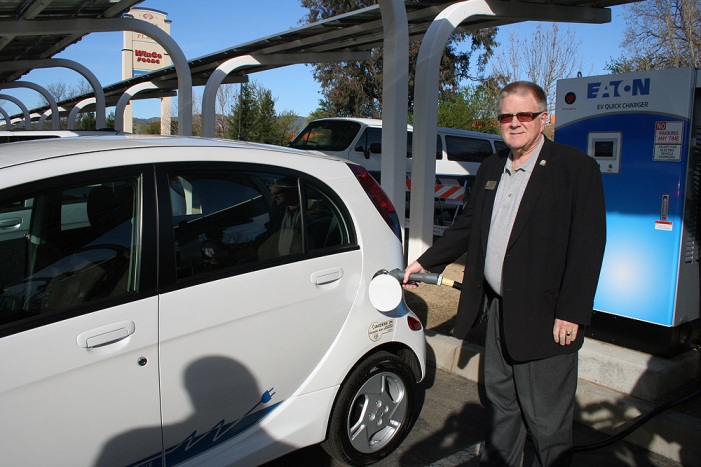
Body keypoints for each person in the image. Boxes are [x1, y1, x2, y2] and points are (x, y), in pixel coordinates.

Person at [403, 81, 606, 466]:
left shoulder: (576, 169)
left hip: (547, 317)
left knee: (547, 422)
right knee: (502, 405)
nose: (514, 123)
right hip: (498, 310)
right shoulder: (492, 166)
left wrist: (572, 311)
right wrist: (424, 262)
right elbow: (467, 226)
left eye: (524, 115)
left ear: (542, 119)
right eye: (506, 116)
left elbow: (588, 246)